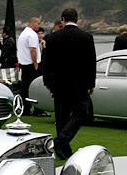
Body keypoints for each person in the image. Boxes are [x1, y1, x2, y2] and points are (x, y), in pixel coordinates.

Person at [41, 8, 96, 160]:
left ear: (63, 20)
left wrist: (47, 81)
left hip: (58, 83)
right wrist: (91, 83)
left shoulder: (52, 37)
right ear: (76, 20)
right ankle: (62, 144)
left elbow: (47, 62)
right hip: (79, 83)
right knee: (81, 113)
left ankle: (61, 144)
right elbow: (91, 63)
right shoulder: (86, 37)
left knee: (61, 115)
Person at [17, 17, 41, 105]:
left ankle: (24, 106)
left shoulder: (23, 33)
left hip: (24, 64)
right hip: (31, 64)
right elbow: (33, 50)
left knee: (25, 86)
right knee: (35, 87)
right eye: (38, 23)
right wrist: (36, 64)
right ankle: (37, 108)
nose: (39, 26)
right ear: (33, 23)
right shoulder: (32, 34)